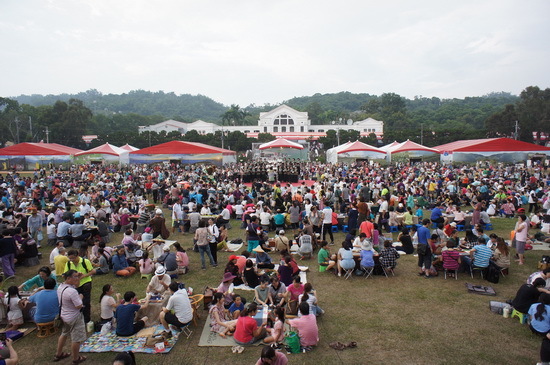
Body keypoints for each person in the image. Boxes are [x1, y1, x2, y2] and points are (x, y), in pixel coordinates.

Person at [54, 270, 87, 364]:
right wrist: (80, 297)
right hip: (74, 317)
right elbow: (78, 305)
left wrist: (79, 277)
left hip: (64, 315)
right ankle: (76, 358)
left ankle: (58, 353)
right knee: (76, 339)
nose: (77, 278)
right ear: (69, 278)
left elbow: (76, 285)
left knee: (64, 334)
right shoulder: (72, 292)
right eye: (75, 277)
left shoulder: (61, 287)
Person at [64, 249, 96, 324]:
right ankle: (78, 317)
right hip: (75, 285)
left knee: (86, 301)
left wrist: (85, 275)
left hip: (85, 282)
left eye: (73, 258)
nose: (72, 260)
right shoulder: (68, 264)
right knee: (76, 301)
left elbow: (93, 271)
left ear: (77, 256)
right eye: (70, 258)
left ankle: (86, 319)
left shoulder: (85, 261)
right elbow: (65, 274)